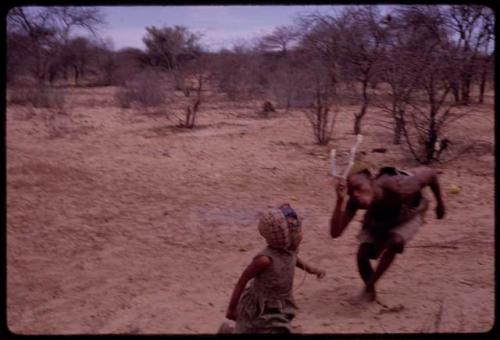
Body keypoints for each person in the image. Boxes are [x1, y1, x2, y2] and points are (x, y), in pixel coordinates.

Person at [329, 163, 446, 303]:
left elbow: (431, 174)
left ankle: (368, 288)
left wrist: (440, 204)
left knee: (395, 241)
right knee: (363, 254)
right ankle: (370, 291)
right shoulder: (355, 201)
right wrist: (339, 200)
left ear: (371, 179)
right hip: (380, 216)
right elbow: (335, 233)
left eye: (358, 187)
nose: (356, 194)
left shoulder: (398, 185)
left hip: (409, 213)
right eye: (351, 193)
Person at [219, 203, 326, 333]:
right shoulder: (265, 260)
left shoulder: (289, 251)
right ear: (285, 237)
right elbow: (243, 279)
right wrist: (231, 308)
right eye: (298, 231)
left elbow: (294, 260)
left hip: (280, 305)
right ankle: (227, 330)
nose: (301, 234)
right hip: (259, 308)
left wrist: (313, 270)